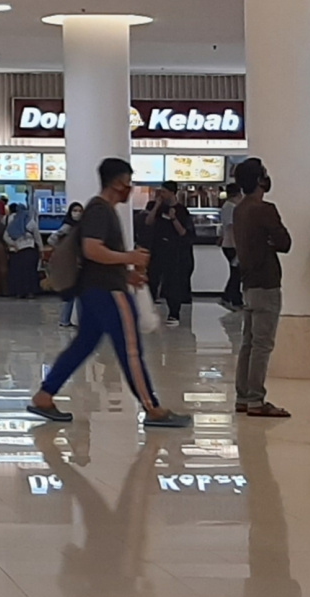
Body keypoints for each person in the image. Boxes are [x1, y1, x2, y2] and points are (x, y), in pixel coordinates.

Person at [27, 157, 191, 428]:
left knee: (83, 346)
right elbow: (92, 249)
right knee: (130, 349)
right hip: (108, 293)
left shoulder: (100, 209)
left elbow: (95, 258)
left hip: (95, 290)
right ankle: (152, 408)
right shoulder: (101, 210)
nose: (131, 187)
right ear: (118, 182)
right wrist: (130, 257)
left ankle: (45, 395)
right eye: (129, 181)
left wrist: (126, 273)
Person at [230, 159, 292, 418]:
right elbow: (285, 242)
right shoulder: (265, 209)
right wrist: (270, 240)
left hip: (248, 282)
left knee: (249, 342)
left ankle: (243, 396)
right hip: (266, 281)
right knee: (263, 344)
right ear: (259, 180)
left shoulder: (239, 209)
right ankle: (256, 399)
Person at [143, 182, 194, 325]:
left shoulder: (181, 211)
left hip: (175, 251)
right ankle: (150, 311)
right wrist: (157, 205)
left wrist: (173, 218)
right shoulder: (158, 208)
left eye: (164, 192)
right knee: (152, 280)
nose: (161, 195)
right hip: (158, 249)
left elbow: (184, 233)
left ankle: (174, 313)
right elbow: (148, 221)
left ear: (172, 193)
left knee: (173, 283)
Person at [54, 202, 86, 328]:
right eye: (75, 210)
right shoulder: (67, 227)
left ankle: (66, 319)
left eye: (79, 210)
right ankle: (67, 319)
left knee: (75, 293)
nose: (77, 213)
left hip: (77, 262)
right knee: (75, 293)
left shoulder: (81, 227)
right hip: (71, 263)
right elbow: (53, 239)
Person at [4, 199, 40, 299]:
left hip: (18, 251)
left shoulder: (13, 222)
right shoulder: (31, 222)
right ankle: (31, 292)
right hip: (30, 250)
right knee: (30, 273)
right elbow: (37, 237)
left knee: (20, 273)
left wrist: (14, 244)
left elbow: (5, 236)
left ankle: (20, 292)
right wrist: (40, 248)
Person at [218, 181, 244, 310]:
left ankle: (231, 298)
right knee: (236, 273)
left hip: (228, 244)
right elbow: (232, 228)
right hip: (232, 245)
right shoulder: (231, 208)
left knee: (236, 273)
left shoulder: (226, 206)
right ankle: (231, 299)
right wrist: (238, 247)